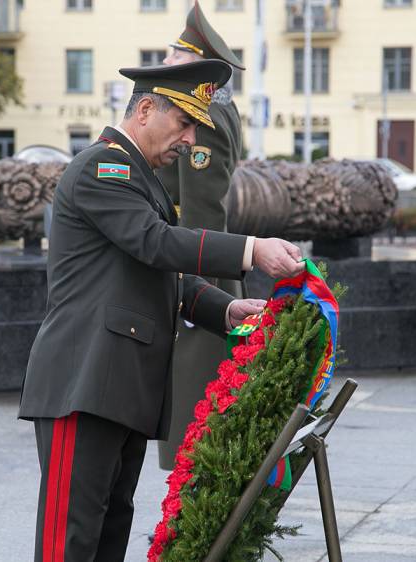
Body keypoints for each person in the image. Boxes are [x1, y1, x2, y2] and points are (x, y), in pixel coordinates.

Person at [18, 60, 304, 562]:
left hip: (120, 384)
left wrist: (228, 307)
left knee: (108, 535)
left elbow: (163, 272)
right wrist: (251, 249)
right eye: (185, 123)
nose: (191, 140)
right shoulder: (102, 167)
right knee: (71, 541)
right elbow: (155, 244)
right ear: (145, 109)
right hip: (83, 381)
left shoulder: (141, 177)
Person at [156, 0, 248, 471]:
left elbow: (202, 211)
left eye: (174, 57)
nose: (165, 63)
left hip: (199, 273)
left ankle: (192, 525)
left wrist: (196, 292)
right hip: (200, 267)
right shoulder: (208, 111)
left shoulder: (205, 118)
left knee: (196, 406)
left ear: (194, 66)